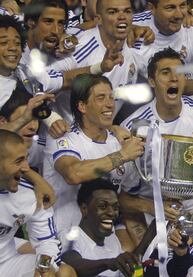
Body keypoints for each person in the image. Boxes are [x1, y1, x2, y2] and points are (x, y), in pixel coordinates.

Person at [120, 47, 193, 238]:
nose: (173, 78)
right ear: (152, 81)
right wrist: (153, 207)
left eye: (179, 74)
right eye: (165, 73)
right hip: (150, 206)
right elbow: (119, 195)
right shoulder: (134, 126)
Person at [43, 74, 145, 237]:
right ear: (82, 106)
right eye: (101, 98)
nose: (110, 104)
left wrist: (154, 209)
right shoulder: (63, 137)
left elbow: (125, 196)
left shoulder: (121, 143)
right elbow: (73, 174)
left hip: (102, 239)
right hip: (62, 236)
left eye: (111, 98)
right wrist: (122, 155)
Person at [0, 129, 75, 276]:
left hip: (6, 263)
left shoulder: (32, 195)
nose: (27, 168)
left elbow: (46, 243)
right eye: (18, 161)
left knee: (64, 272)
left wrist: (43, 267)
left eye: (26, 159)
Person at [62, 178, 142, 277]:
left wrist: (153, 232)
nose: (111, 213)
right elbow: (73, 264)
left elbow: (124, 265)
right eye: (102, 206)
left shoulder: (112, 239)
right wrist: (109, 263)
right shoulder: (71, 235)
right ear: (84, 209)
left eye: (115, 207)